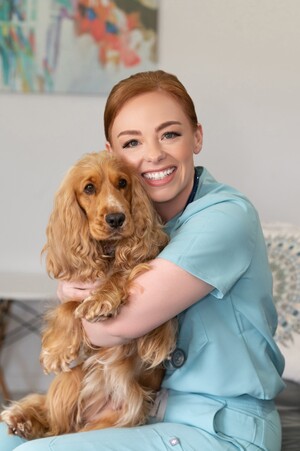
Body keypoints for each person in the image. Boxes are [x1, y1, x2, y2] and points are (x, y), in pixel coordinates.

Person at [1, 70, 285, 451]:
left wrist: (71, 296)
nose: (153, 154)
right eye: (132, 142)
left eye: (170, 134)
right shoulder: (140, 221)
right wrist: (71, 286)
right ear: (113, 153)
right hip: (150, 413)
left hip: (219, 425)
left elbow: (116, 326)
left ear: (197, 137)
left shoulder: (226, 217)